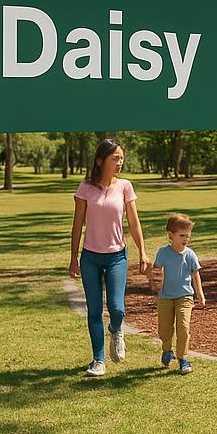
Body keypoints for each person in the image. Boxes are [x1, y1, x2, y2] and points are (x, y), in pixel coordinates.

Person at [69, 139, 148, 376]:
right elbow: (77, 225)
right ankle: (98, 360)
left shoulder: (125, 186)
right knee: (94, 310)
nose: (120, 162)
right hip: (90, 258)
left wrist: (142, 251)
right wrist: (73, 257)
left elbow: (134, 223)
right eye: (115, 158)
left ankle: (116, 329)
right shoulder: (85, 188)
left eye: (121, 158)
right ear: (100, 161)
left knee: (117, 308)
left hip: (116, 257)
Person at [149, 213, 206, 374]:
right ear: (170, 235)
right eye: (182, 235)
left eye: (188, 235)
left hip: (185, 296)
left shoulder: (190, 254)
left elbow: (195, 275)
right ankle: (167, 350)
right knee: (164, 329)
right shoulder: (163, 252)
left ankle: (183, 358)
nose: (185, 239)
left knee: (183, 327)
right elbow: (156, 271)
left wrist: (200, 295)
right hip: (165, 297)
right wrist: (154, 282)